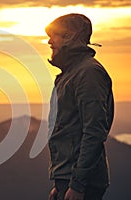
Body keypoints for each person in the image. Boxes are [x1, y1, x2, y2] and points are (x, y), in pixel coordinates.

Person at [45, 13, 114, 200]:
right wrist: (59, 183)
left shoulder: (88, 73)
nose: (49, 41)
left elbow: (94, 132)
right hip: (68, 181)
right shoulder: (72, 74)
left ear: (71, 37)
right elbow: (68, 128)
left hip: (83, 185)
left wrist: (77, 185)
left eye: (54, 35)